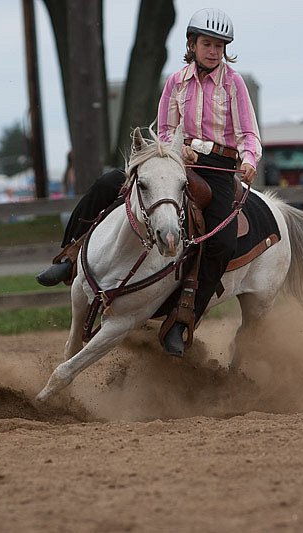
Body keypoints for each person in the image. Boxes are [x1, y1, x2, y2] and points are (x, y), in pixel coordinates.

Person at [37, 8, 261, 357]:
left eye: (220, 45)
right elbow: (166, 129)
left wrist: (248, 161)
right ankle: (68, 257)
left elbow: (248, 132)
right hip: (177, 161)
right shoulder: (176, 82)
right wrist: (174, 152)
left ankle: (182, 319)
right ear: (192, 44)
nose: (213, 51)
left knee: (222, 243)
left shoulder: (234, 84)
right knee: (110, 183)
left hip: (219, 167)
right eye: (207, 43)